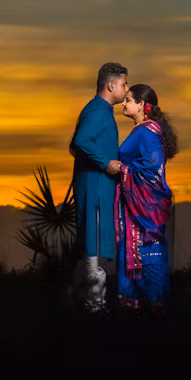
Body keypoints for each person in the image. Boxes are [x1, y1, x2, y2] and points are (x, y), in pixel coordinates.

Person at [69, 62, 129, 313]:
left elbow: (75, 146)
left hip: (96, 189)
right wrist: (105, 163)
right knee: (92, 256)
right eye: (124, 84)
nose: (126, 89)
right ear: (111, 85)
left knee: (92, 251)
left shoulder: (100, 110)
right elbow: (79, 142)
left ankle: (93, 308)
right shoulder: (97, 111)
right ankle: (94, 311)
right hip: (93, 190)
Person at [113, 83, 178, 312]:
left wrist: (121, 170)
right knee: (142, 253)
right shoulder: (143, 130)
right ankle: (141, 314)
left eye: (129, 100)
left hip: (145, 209)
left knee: (149, 254)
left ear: (141, 105)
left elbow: (151, 169)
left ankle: (153, 311)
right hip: (136, 207)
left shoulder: (147, 133)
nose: (124, 103)